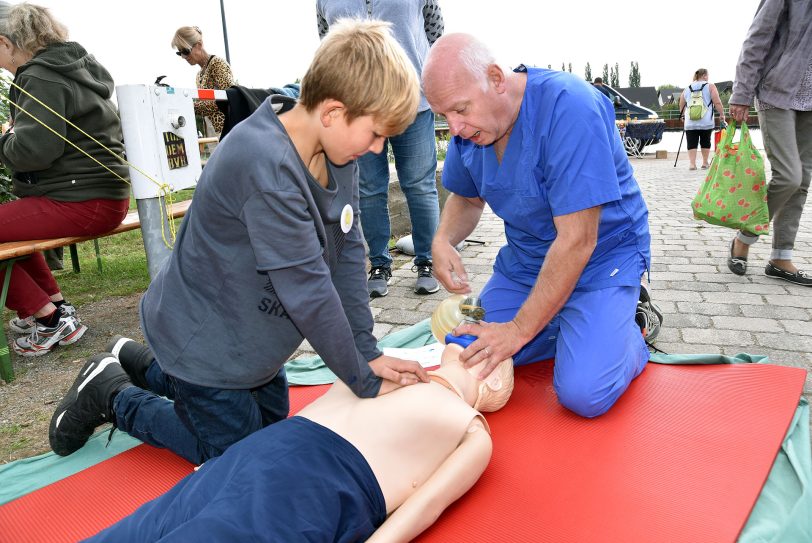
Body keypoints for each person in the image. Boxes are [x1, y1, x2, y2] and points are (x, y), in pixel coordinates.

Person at [49, 19, 429, 465]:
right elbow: (309, 290)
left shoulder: (337, 149)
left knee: (270, 434)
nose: (377, 149)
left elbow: (348, 257)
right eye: (377, 134)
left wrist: (367, 352)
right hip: (204, 339)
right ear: (332, 112)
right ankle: (112, 392)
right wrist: (361, 377)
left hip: (250, 344)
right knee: (236, 458)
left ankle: (133, 359)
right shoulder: (267, 167)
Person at [422, 33, 656, 418]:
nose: (455, 128)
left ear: (496, 79)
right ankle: (564, 322)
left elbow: (578, 240)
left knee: (584, 393)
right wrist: (443, 239)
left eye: (460, 110)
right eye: (443, 115)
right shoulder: (472, 130)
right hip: (528, 263)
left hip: (601, 258)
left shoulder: (570, 107)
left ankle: (630, 329)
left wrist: (516, 331)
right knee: (468, 352)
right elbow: (466, 197)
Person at [83, 342, 512, 542]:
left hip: (315, 487)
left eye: (492, 353)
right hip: (271, 455)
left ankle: (118, 384)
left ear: (493, 382)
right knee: (148, 526)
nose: (476, 344)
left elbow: (426, 507)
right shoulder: (391, 364)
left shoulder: (471, 428)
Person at [0, 2, 130, 356]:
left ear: (6, 43)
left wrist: (5, 140)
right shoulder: (71, 69)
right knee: (9, 226)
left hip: (82, 200)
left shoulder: (38, 77)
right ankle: (57, 309)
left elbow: (35, 150)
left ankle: (47, 320)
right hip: (103, 196)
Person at [317, 0, 444, 297]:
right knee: (370, 189)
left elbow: (435, 33)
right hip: (358, 105)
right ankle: (378, 263)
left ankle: (428, 260)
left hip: (413, 98)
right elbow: (327, 45)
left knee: (419, 185)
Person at [727, 0, 812, 287]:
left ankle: (780, 257)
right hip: (778, 91)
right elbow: (758, 38)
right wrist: (741, 93)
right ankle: (744, 238)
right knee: (789, 176)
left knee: (802, 181)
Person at [171, 26, 234, 135]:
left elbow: (231, 97)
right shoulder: (199, 75)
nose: (183, 56)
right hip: (212, 133)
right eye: (179, 52)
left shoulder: (217, 64)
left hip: (227, 131)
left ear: (199, 45)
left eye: (185, 51)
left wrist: (189, 105)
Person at [678, 68, 726, 170]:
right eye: (707, 75)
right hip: (706, 120)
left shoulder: (687, 88)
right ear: (704, 75)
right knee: (705, 140)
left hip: (690, 121)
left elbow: (681, 103)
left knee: (691, 141)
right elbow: (717, 102)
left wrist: (682, 115)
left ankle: (692, 164)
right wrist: (722, 114)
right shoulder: (710, 86)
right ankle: (705, 163)